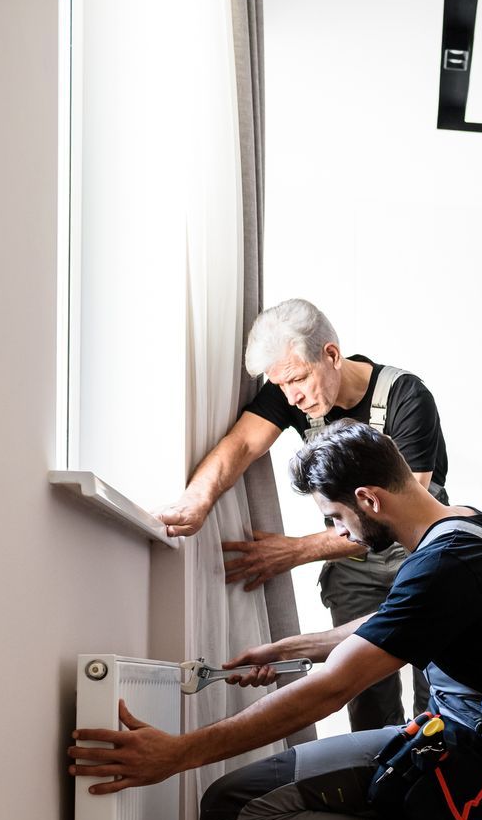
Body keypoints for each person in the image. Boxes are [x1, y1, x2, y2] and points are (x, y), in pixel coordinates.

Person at [73, 423, 482, 820]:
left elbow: (331, 691)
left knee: (231, 809)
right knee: (280, 791)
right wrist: (285, 648)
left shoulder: (446, 562)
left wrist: (178, 754)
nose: (341, 533)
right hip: (468, 726)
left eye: (336, 518)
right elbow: (392, 621)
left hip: (474, 743)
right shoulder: (460, 528)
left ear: (369, 498)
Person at [155, 298, 449, 731]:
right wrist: (196, 500)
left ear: (330, 354)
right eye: (282, 385)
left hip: (419, 555)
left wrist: (293, 552)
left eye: (297, 379)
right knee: (362, 692)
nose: (292, 396)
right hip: (353, 566)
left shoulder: (406, 397)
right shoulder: (292, 393)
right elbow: (241, 445)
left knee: (436, 691)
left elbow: (399, 511)